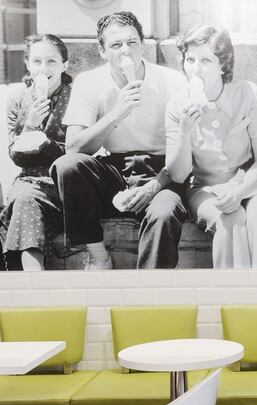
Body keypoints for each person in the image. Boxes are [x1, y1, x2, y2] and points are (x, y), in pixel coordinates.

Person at [50, 11, 188, 270]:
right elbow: (74, 148)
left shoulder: (173, 82)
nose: (126, 51)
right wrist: (115, 114)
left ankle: (149, 290)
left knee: (165, 212)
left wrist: (153, 187)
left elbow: (183, 155)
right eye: (116, 45)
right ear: (102, 51)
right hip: (113, 169)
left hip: (163, 170)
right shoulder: (89, 82)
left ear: (143, 45)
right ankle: (98, 255)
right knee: (67, 166)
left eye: (132, 42)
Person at [165, 25, 257, 268]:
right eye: (190, 59)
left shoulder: (248, 93)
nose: (196, 68)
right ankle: (232, 299)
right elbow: (177, 174)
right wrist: (184, 132)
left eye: (205, 60)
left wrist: (238, 192)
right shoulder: (177, 102)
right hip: (205, 187)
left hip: (250, 180)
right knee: (231, 218)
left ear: (222, 65)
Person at [0, 34, 71, 271]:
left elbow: (78, 151)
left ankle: (33, 283)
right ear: (28, 65)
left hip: (65, 180)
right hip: (29, 179)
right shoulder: (18, 99)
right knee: (23, 198)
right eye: (37, 61)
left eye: (51, 61)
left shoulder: (76, 97)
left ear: (64, 65)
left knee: (24, 199)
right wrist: (30, 125)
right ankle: (30, 280)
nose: (44, 68)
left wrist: (44, 142)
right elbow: (16, 155)